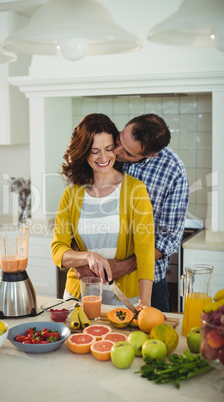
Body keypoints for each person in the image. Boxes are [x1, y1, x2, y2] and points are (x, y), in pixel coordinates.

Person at [72, 114, 189, 312]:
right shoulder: (104, 150)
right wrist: (79, 259)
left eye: (126, 152)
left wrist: (127, 265)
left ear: (150, 155)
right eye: (118, 140)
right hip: (90, 281)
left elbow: (168, 238)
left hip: (145, 285)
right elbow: (76, 217)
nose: (115, 152)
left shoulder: (172, 170)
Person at [51, 113, 155, 308]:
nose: (104, 157)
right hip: (77, 299)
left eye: (109, 149)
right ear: (84, 152)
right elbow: (58, 251)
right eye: (95, 151)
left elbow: (145, 251)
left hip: (124, 301)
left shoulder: (135, 190)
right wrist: (88, 257)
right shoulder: (72, 194)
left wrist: (145, 303)